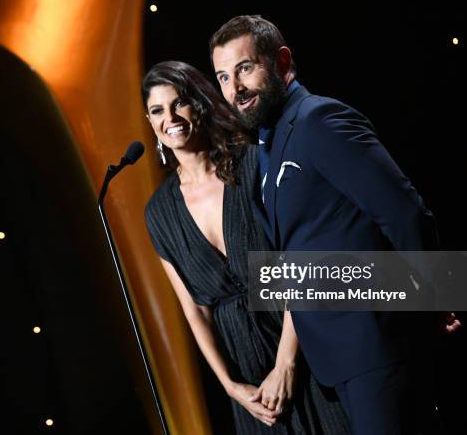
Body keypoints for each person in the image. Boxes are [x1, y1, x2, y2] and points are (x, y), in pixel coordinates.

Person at [210, 15, 460, 435]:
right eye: (222, 76)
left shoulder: (319, 120)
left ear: (282, 61)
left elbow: (404, 211)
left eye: (245, 68)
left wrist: (434, 292)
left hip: (377, 345)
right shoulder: (268, 146)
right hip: (338, 359)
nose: (234, 89)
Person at [143, 61, 351, 434]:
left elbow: (300, 264)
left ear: (201, 104)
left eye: (179, 103)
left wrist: (286, 362)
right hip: (248, 385)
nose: (170, 117)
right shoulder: (159, 212)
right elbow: (195, 312)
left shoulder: (256, 163)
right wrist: (231, 387)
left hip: (306, 346)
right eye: (157, 109)